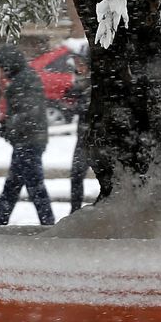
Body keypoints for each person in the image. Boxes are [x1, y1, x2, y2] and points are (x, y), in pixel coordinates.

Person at [0, 43, 54, 226]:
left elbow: (28, 114)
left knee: (33, 185)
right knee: (14, 184)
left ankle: (48, 223)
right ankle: (0, 221)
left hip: (29, 141)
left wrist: (8, 127)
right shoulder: (23, 79)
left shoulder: (25, 81)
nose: (2, 72)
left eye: (3, 67)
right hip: (26, 140)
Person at [66, 68, 98, 214]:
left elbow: (84, 109)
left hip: (91, 139)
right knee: (76, 176)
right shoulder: (84, 89)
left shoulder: (92, 90)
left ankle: (76, 209)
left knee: (77, 175)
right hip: (85, 138)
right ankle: (75, 209)